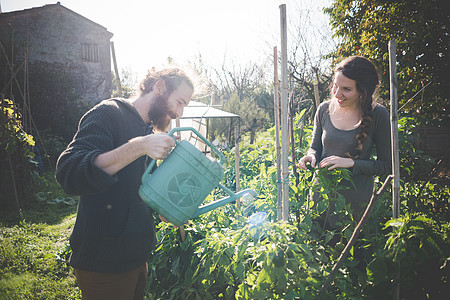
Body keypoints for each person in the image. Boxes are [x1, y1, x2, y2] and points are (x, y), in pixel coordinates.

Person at [55, 67, 194, 300]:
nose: (178, 113)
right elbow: (69, 173)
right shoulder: (109, 113)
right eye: (179, 102)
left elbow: (136, 191)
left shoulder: (147, 131)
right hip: (104, 263)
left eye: (184, 106)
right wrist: (138, 147)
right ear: (159, 87)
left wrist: (164, 208)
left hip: (136, 258)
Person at [298, 56, 391, 220]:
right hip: (319, 201)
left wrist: (351, 163)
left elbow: (386, 165)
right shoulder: (324, 110)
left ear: (363, 91)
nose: (337, 93)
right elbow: (315, 148)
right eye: (335, 86)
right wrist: (311, 156)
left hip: (355, 210)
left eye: (346, 89)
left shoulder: (378, 114)